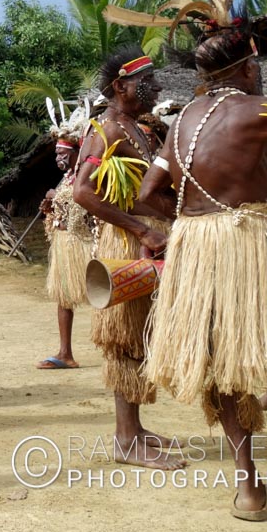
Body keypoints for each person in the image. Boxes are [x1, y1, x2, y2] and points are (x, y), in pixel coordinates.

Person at [140, 12, 267, 529]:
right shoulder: (260, 110)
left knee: (220, 368)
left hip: (197, 253)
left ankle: (250, 490)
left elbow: (149, 194)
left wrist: (193, 226)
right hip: (254, 246)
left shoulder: (182, 121)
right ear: (249, 67)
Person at [72, 46, 184, 470]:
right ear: (121, 86)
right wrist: (140, 229)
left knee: (140, 336)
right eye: (146, 81)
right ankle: (125, 440)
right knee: (125, 339)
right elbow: (84, 192)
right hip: (126, 242)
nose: (156, 87)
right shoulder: (106, 130)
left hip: (147, 238)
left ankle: (135, 430)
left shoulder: (137, 127)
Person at [37, 103, 91, 370]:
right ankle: (65, 352)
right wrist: (51, 203)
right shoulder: (68, 177)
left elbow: (86, 204)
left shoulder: (86, 175)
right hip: (63, 244)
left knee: (102, 296)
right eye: (56, 153)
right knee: (63, 297)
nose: (58, 158)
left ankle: (124, 343)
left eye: (63, 153)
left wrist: (53, 196)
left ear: (76, 152)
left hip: (83, 242)